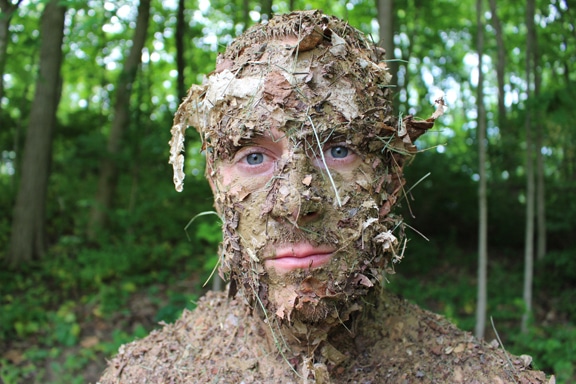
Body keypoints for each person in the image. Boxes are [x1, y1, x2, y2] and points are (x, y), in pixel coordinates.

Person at [98, 11, 550, 383]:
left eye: (339, 150)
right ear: (217, 186)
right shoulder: (140, 375)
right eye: (254, 157)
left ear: (390, 181)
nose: (296, 202)